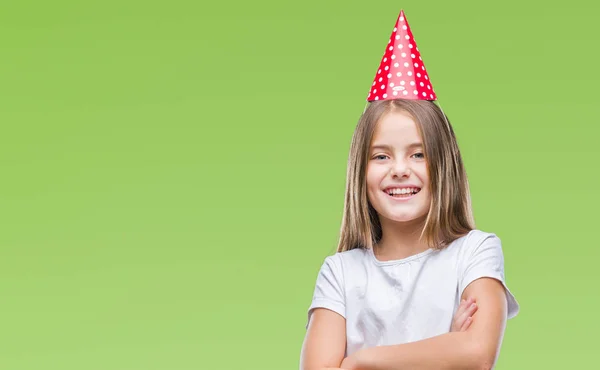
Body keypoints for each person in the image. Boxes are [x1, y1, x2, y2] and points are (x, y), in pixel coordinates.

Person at [299, 10, 519, 370]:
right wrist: (444, 350)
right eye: (381, 156)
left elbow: (478, 354)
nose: (400, 170)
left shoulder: (474, 253)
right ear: (361, 172)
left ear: (443, 165)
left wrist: (360, 361)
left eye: (418, 154)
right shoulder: (340, 273)